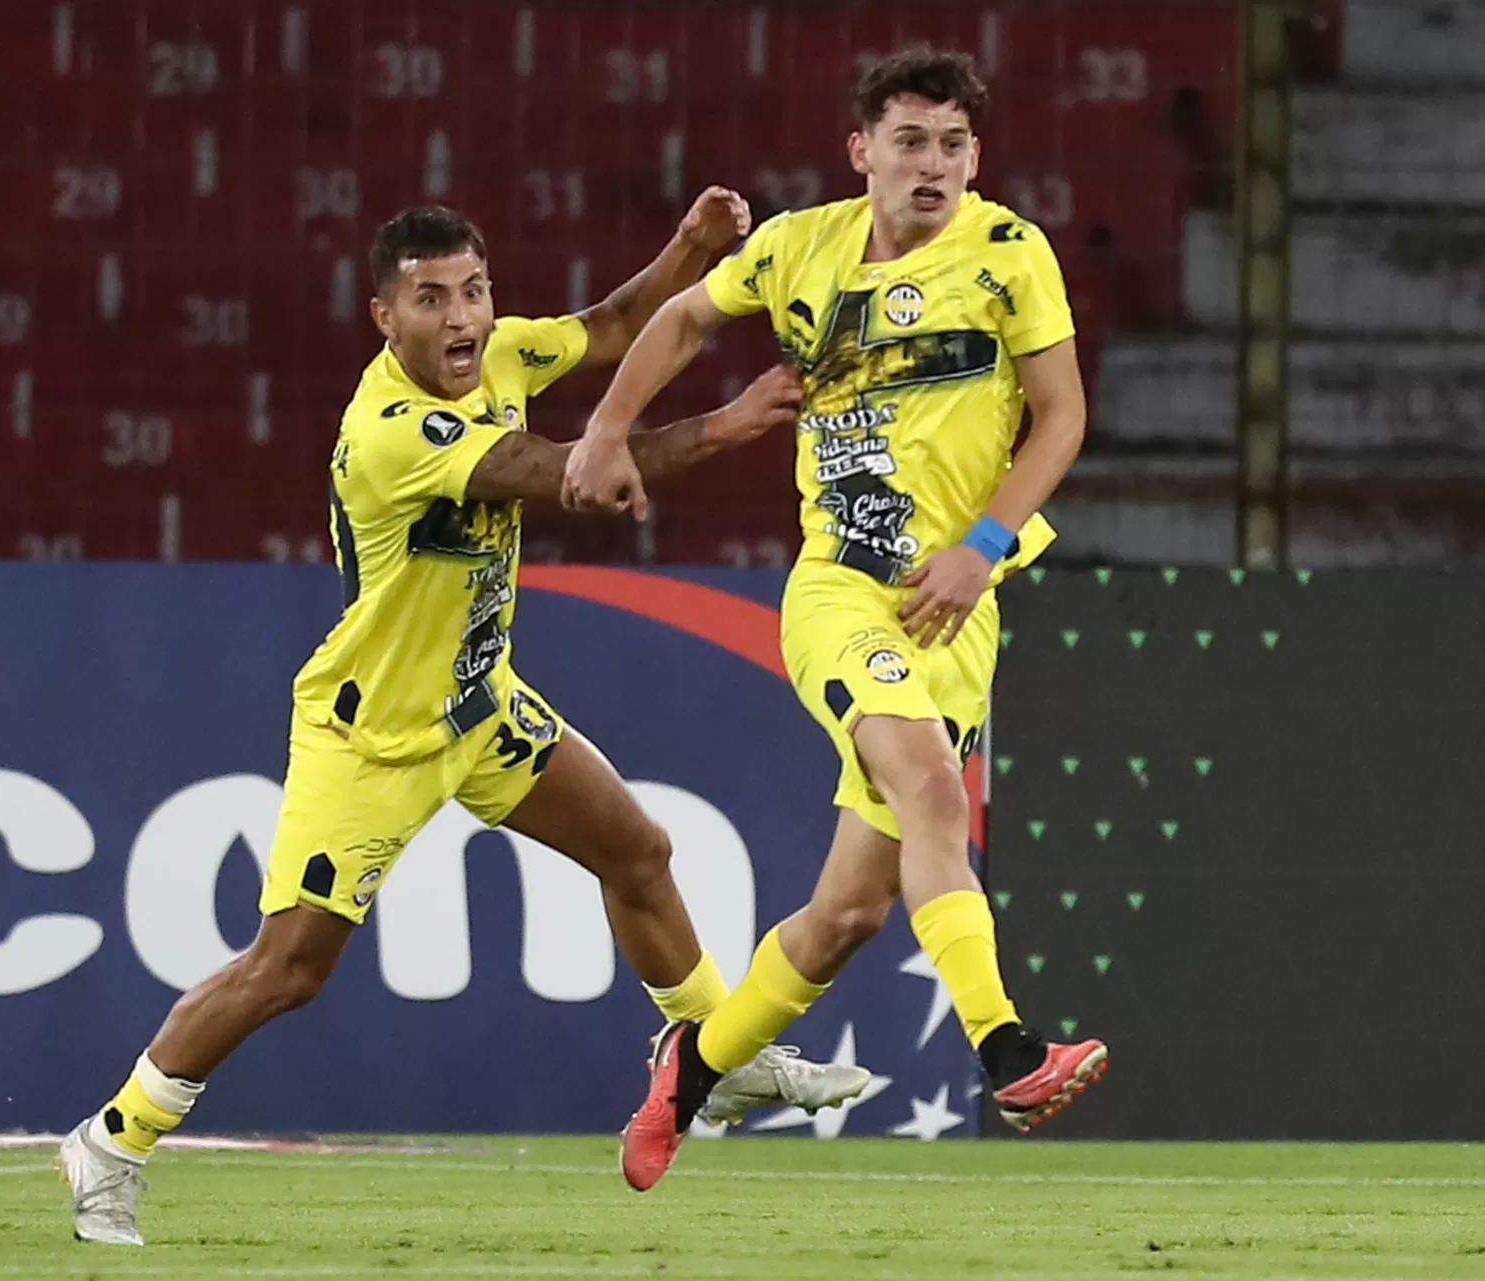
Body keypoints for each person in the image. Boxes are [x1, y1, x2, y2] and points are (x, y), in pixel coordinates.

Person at [59, 192, 870, 1244]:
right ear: (382, 317)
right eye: (430, 298)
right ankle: (112, 1141)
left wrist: (689, 249)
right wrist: (724, 424)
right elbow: (567, 475)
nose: (461, 319)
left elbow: (616, 326)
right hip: (377, 734)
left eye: (474, 292)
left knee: (637, 850)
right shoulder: (392, 432)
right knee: (289, 970)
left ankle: (711, 1056)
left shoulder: (502, 356)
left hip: (477, 705)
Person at [563, 46, 1109, 1192]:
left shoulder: (1010, 255)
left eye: (955, 144)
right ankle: (1006, 1051)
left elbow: (1060, 419)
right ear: (862, 152)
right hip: (841, 590)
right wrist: (610, 429)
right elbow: (677, 323)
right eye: (911, 141)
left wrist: (983, 546)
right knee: (927, 791)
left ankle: (693, 1071)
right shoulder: (797, 247)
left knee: (850, 911)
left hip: (958, 604)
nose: (935, 165)